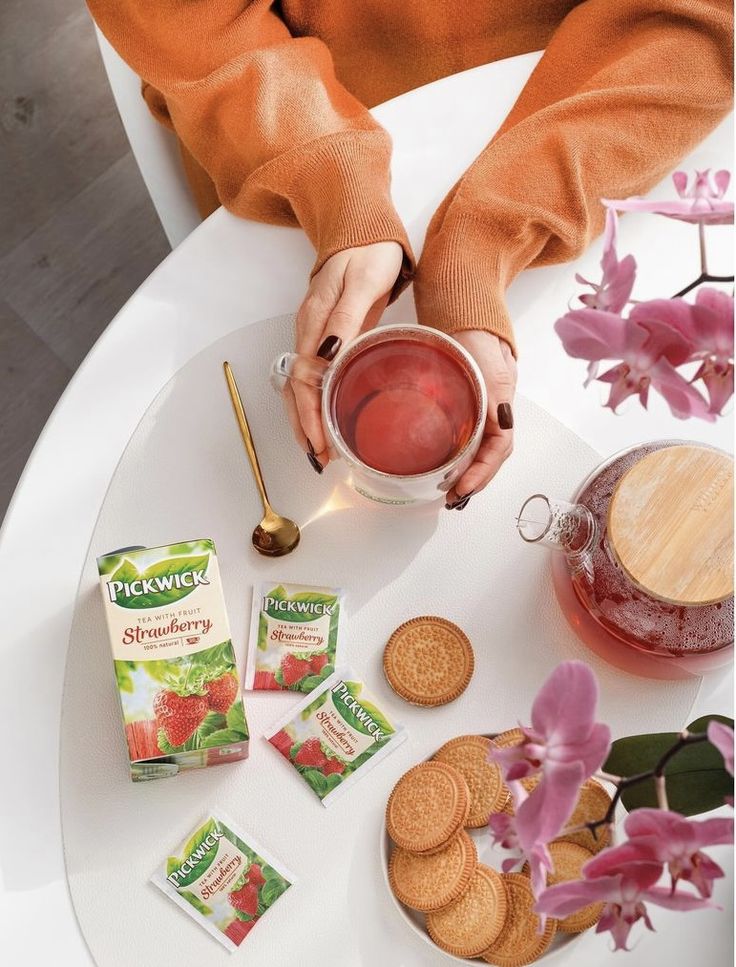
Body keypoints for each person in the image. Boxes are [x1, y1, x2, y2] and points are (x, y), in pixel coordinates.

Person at [89, 0, 732, 508]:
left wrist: (485, 236)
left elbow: (702, 18)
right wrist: (332, 181)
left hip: (581, 134)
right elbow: (180, 17)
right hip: (289, 125)